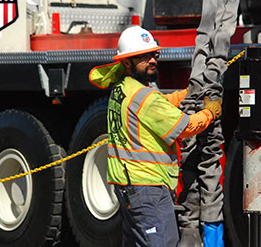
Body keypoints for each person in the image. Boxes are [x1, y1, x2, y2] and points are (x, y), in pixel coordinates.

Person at [88, 26, 222, 247]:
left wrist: (186, 95)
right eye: (143, 56)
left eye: (154, 54)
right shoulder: (142, 96)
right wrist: (210, 113)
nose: (152, 60)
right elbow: (186, 127)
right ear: (127, 62)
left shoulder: (123, 88)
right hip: (147, 188)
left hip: (129, 187)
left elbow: (157, 104)